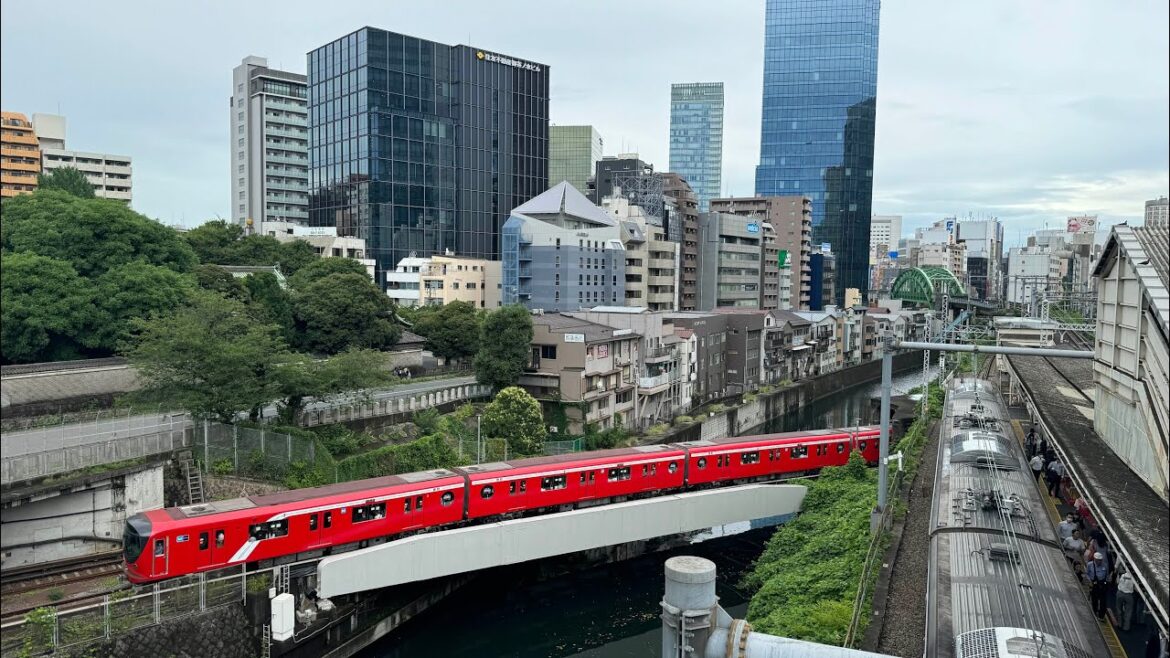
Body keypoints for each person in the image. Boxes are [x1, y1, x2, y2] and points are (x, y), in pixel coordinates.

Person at [1086, 552, 1110, 620]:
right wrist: (1089, 581)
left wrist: (1107, 583)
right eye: (1098, 560)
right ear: (1095, 559)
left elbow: (1107, 575)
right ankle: (1095, 612)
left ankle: (1101, 615)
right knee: (1094, 600)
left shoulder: (1105, 565)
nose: (1099, 562)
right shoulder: (1090, 565)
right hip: (1094, 584)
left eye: (1100, 560)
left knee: (1103, 601)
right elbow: (1087, 573)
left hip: (1102, 584)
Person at [1116, 566, 1137, 632]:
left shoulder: (1122, 575)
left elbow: (1117, 582)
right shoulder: (1134, 578)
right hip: (1129, 595)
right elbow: (1136, 589)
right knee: (1128, 611)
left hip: (1120, 593)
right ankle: (1126, 628)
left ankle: (1119, 624)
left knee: (1119, 609)